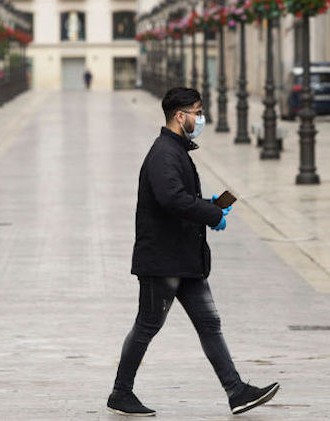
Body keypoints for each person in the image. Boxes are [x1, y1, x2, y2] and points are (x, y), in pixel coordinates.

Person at [107, 87, 279, 417]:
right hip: (163, 260)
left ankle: (236, 391)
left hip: (183, 258)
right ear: (180, 116)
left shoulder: (175, 151)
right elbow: (171, 199)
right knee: (147, 324)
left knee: (209, 323)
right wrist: (211, 214)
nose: (201, 119)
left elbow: (180, 197)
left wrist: (210, 205)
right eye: (197, 112)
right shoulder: (164, 153)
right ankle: (121, 392)